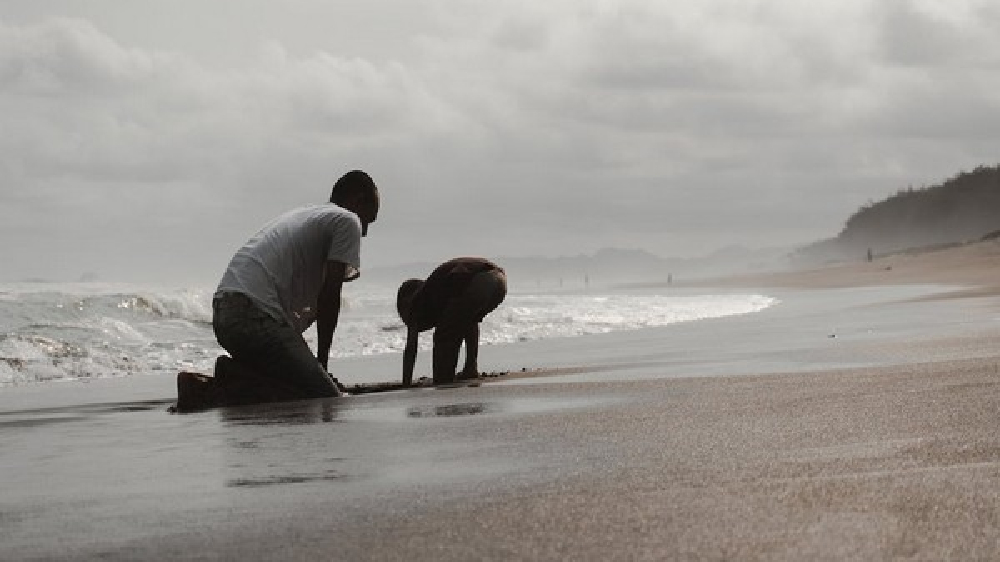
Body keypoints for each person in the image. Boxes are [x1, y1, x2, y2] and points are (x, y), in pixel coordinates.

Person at [210, 169, 379, 401]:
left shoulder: (307, 214)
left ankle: (234, 376)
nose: (365, 232)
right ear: (357, 201)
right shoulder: (347, 220)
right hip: (253, 316)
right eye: (369, 219)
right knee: (325, 396)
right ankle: (223, 389)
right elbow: (329, 296)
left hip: (224, 314)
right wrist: (322, 366)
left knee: (289, 382)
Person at [396, 257, 507, 387]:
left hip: (475, 281)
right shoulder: (439, 290)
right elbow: (470, 324)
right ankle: (470, 368)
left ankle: (443, 378)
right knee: (468, 321)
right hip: (499, 280)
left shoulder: (417, 300)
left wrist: (406, 383)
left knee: (444, 335)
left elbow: (411, 348)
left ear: (405, 302)